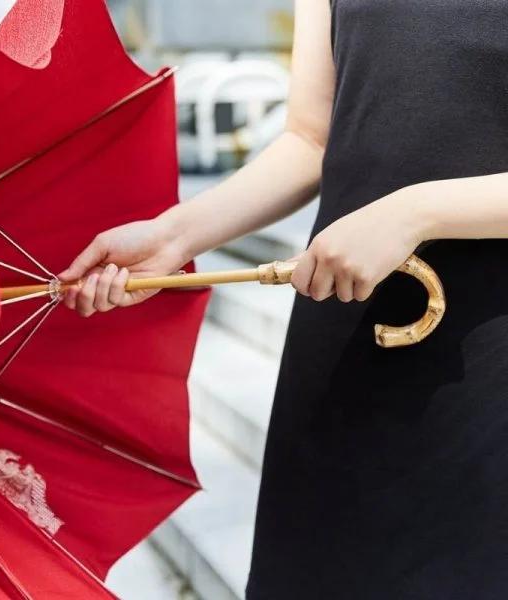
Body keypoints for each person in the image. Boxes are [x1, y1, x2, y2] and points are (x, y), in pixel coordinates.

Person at [59, 0, 508, 597]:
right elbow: (309, 138)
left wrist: (416, 211)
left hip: (490, 357)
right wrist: (173, 235)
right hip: (346, 337)